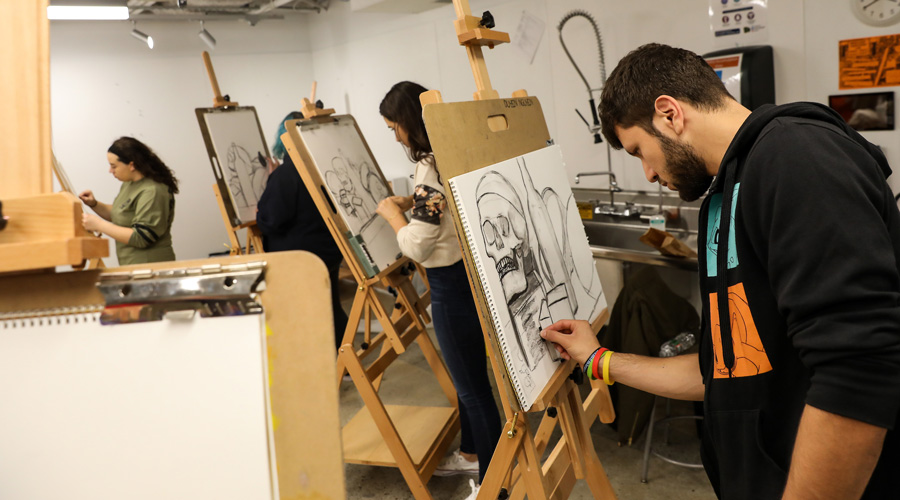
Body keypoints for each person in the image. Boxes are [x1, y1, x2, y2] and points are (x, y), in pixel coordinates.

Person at [541, 43, 900, 500]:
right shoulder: (726, 192)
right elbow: (725, 370)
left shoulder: (795, 157)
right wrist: (599, 360)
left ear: (669, 114)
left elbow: (859, 371)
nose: (648, 173)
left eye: (639, 150)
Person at [376, 81, 502, 499]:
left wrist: (393, 214)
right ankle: (471, 453)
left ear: (410, 123)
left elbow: (419, 243)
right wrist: (412, 202)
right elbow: (442, 209)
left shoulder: (429, 166)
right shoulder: (454, 148)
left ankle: (493, 481)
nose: (396, 136)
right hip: (469, 274)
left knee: (473, 388)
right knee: (469, 380)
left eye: (395, 127)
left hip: (452, 284)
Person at [256, 111, 348, 348]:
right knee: (329, 302)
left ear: (283, 139)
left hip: (299, 257)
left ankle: (319, 362)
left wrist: (262, 207)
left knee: (304, 312)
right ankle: (344, 359)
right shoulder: (322, 166)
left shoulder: (286, 175)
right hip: (329, 251)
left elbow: (272, 220)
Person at [80, 136, 178, 265]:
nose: (110, 171)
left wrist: (99, 225)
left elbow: (141, 237)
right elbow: (120, 214)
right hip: (132, 266)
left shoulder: (153, 191)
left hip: (151, 266)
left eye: (114, 166)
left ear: (131, 165)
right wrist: (94, 204)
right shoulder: (129, 183)